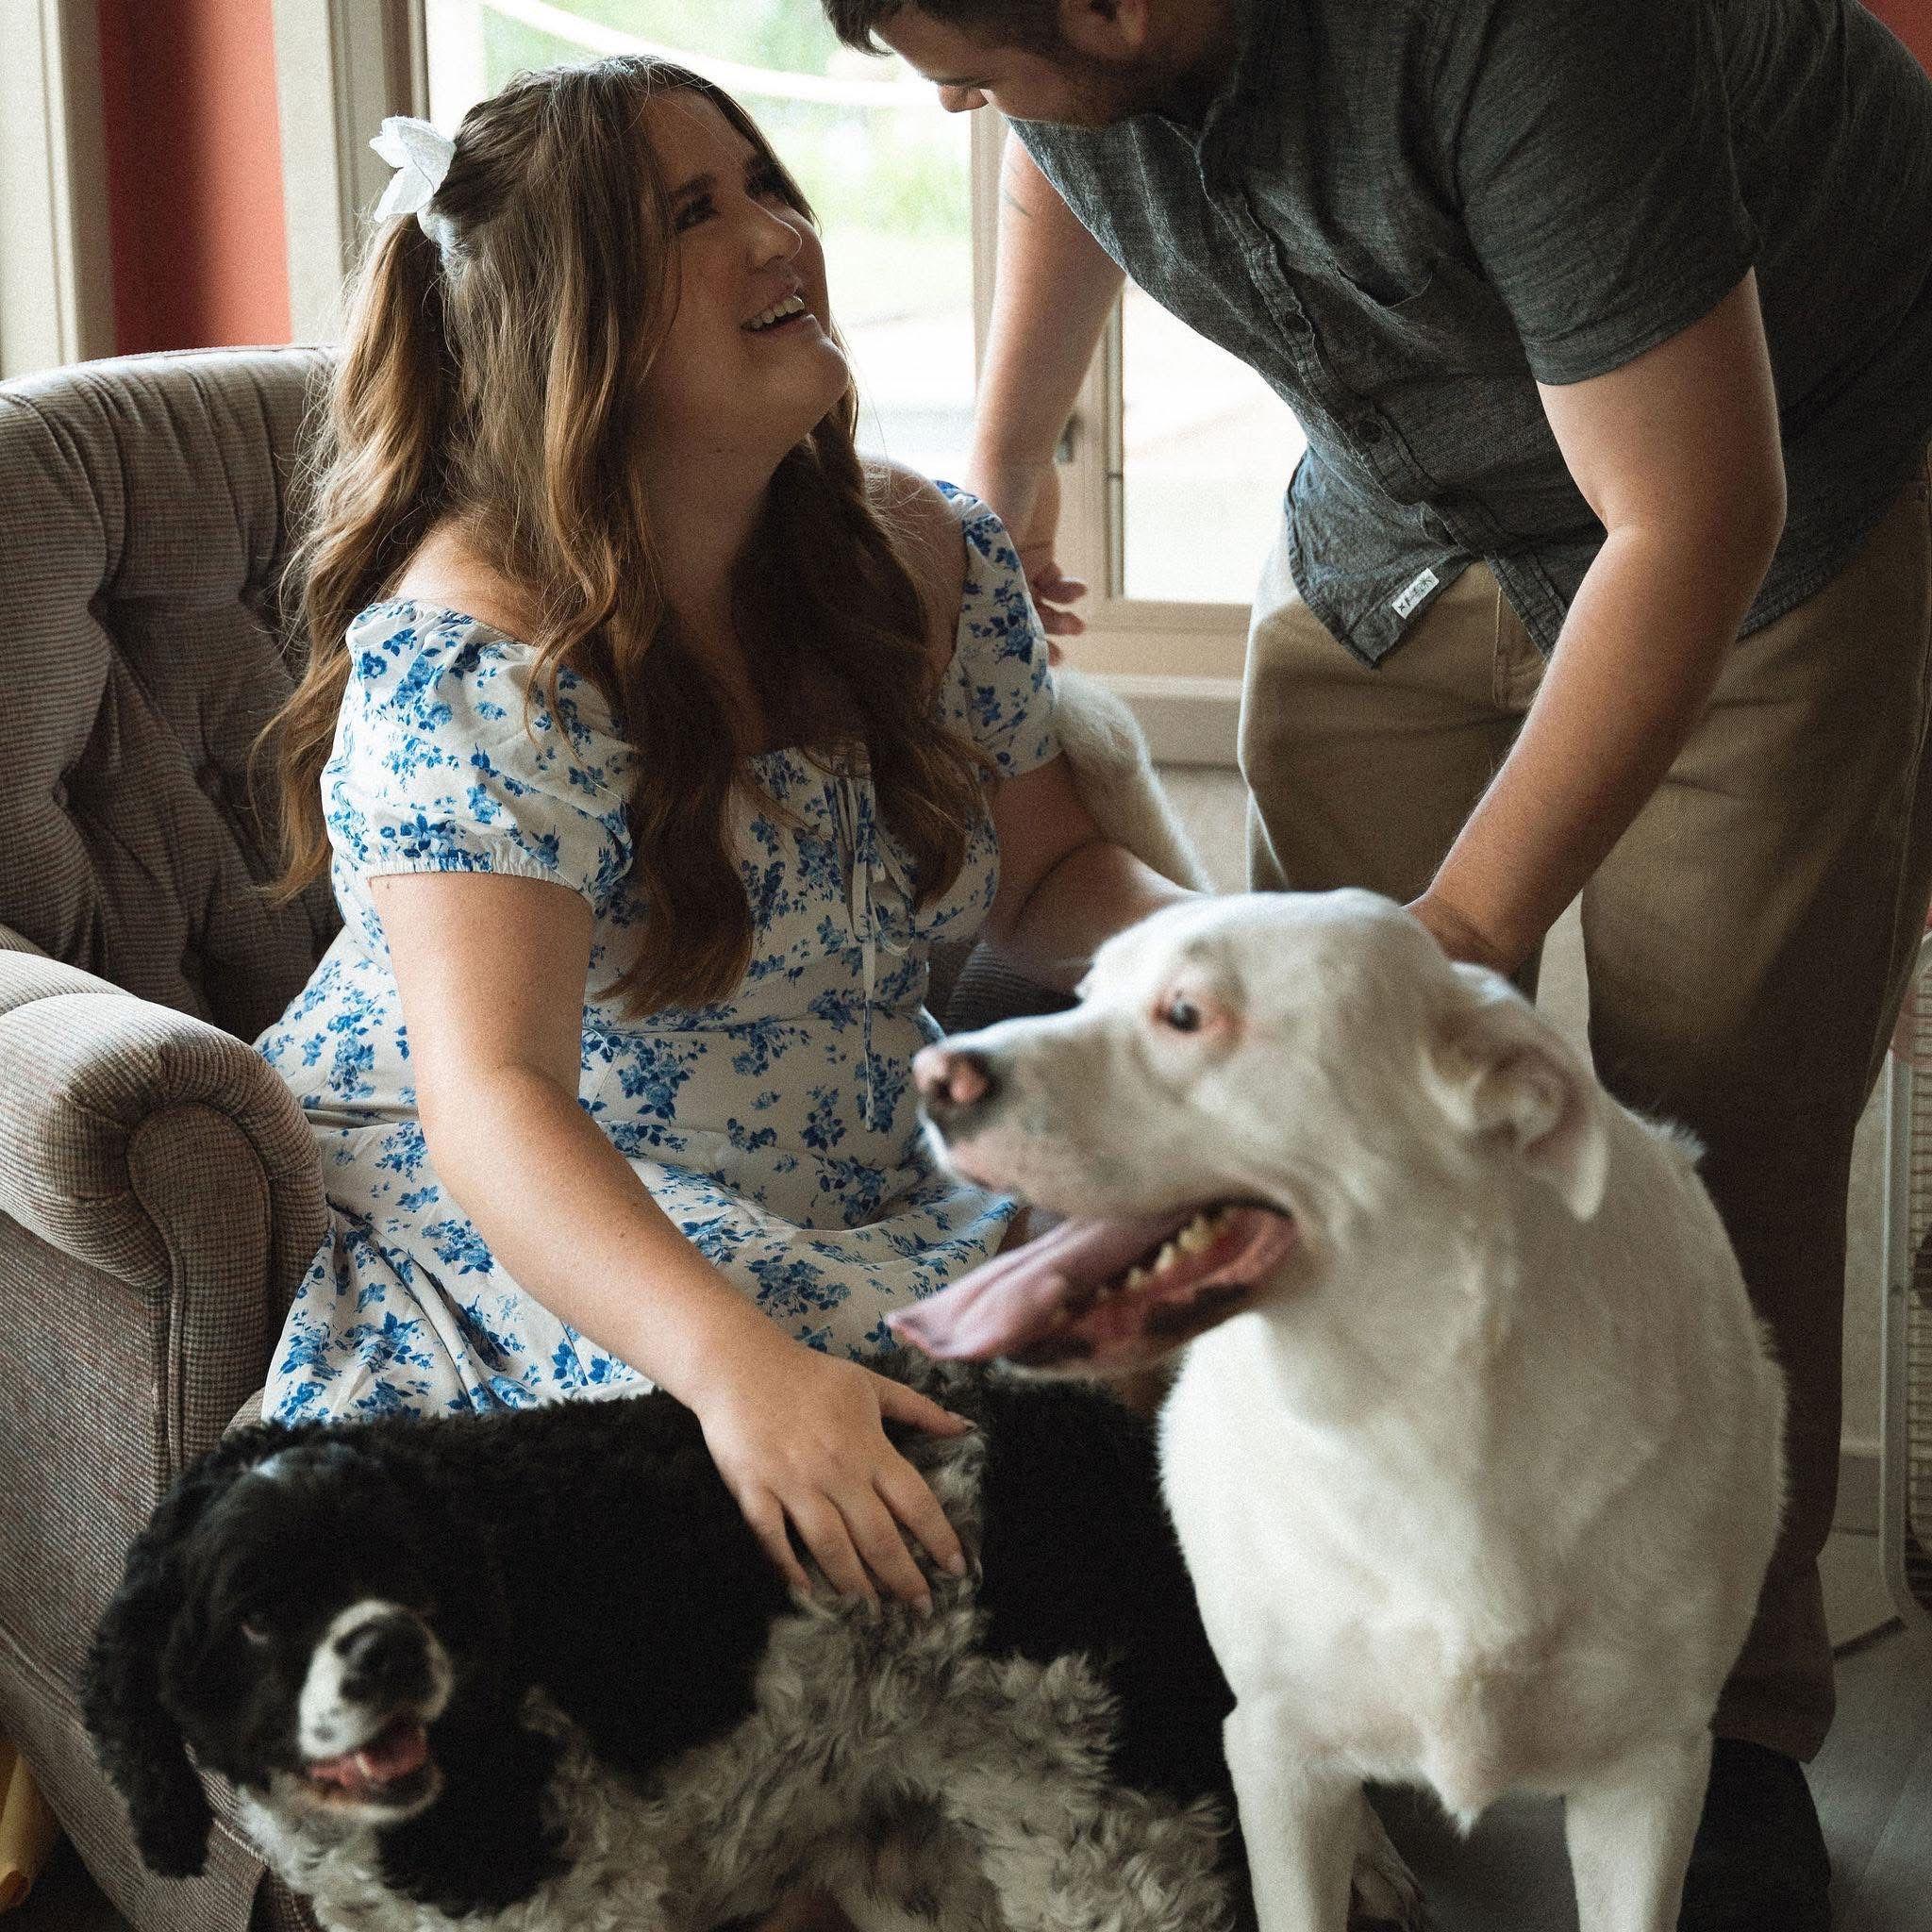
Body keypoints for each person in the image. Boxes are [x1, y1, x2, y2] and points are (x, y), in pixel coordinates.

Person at [822, 0, 1932, 1924]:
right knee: (1281, 1146)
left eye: (974, 62)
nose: (950, 98)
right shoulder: (1074, 51)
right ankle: (1330, 1663)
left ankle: (1720, 1720)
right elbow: (1059, 138)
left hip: (1759, 509)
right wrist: (1007, 462)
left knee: (1713, 1102)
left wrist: (1452, 953)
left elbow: (1693, 510)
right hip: (1397, 515)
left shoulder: (1535, 36)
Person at [251, 54, 1191, 1621]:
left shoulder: (929, 554)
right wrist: (739, 1370)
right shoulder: (481, 652)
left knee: (1189, 1247)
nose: (776, 234)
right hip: (545, 1188)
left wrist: (1244, 957)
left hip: (864, 1169)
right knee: (888, 1415)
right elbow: (494, 1099)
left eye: (764, 182)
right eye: (693, 214)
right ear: (577, 325)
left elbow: (1047, 877)